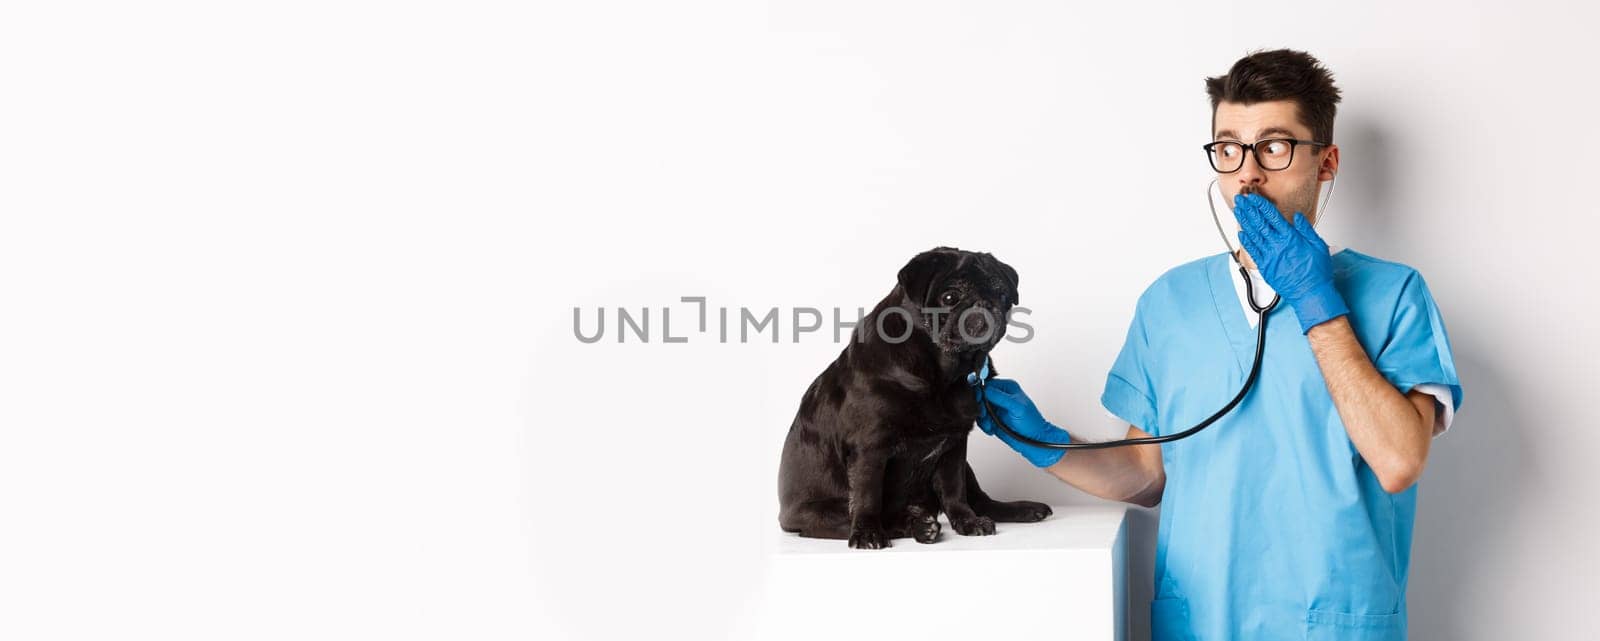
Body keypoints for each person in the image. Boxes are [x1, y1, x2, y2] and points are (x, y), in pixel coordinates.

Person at [976, 49, 1462, 641]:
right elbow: (1144, 475)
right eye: (1229, 148)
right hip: (1201, 623)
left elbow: (1398, 461)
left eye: (1274, 146)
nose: (1248, 173)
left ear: (1326, 161)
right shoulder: (1170, 302)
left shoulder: (1393, 294)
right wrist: (1043, 442)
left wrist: (1316, 304)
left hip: (1335, 623)